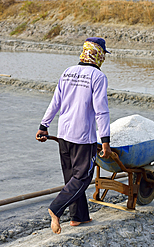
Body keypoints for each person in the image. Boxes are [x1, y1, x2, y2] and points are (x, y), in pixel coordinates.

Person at [35, 37, 112, 234]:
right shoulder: (98, 77)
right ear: (99, 55)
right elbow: (101, 111)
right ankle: (56, 208)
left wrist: (44, 125)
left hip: (64, 134)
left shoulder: (67, 72)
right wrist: (105, 141)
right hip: (83, 137)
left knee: (71, 177)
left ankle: (79, 217)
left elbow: (55, 102)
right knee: (83, 178)